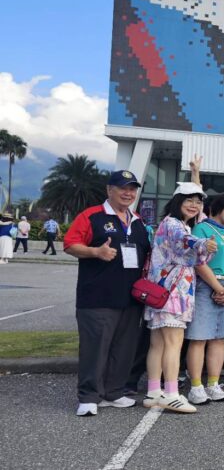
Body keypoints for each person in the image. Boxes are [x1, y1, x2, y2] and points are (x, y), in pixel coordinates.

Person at [63, 170, 151, 416]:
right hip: (97, 297)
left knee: (124, 348)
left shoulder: (138, 220)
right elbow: (70, 244)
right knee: (95, 348)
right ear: (109, 190)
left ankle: (114, 392)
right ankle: (89, 396)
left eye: (132, 189)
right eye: (123, 188)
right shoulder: (92, 216)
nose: (128, 193)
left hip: (131, 298)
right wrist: (95, 252)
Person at [141, 182, 216, 414]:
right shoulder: (174, 224)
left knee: (158, 344)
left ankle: (154, 391)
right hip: (173, 293)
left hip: (161, 293)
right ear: (177, 202)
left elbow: (192, 251)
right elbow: (186, 241)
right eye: (189, 200)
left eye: (198, 201)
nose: (194, 205)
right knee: (174, 343)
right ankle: (172, 394)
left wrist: (203, 246)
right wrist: (203, 243)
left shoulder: (174, 223)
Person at [185, 192, 224, 404]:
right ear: (221, 205)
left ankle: (213, 383)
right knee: (199, 337)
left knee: (219, 338)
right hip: (207, 285)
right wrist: (219, 288)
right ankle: (196, 387)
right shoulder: (202, 228)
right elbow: (199, 262)